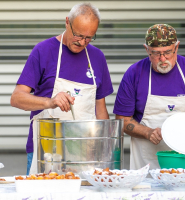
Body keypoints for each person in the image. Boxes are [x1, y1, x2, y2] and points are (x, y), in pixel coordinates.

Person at [10, 3, 113, 175]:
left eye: (89, 38)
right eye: (78, 35)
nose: (82, 42)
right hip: (46, 152)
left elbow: (100, 109)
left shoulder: (97, 57)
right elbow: (17, 98)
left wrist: (106, 150)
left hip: (86, 153)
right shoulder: (43, 51)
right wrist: (50, 102)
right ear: (67, 22)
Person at [113, 24, 185, 170]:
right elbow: (122, 121)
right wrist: (148, 132)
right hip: (145, 161)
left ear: (176, 47)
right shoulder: (134, 74)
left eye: (168, 52)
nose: (162, 58)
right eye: (156, 53)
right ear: (147, 50)